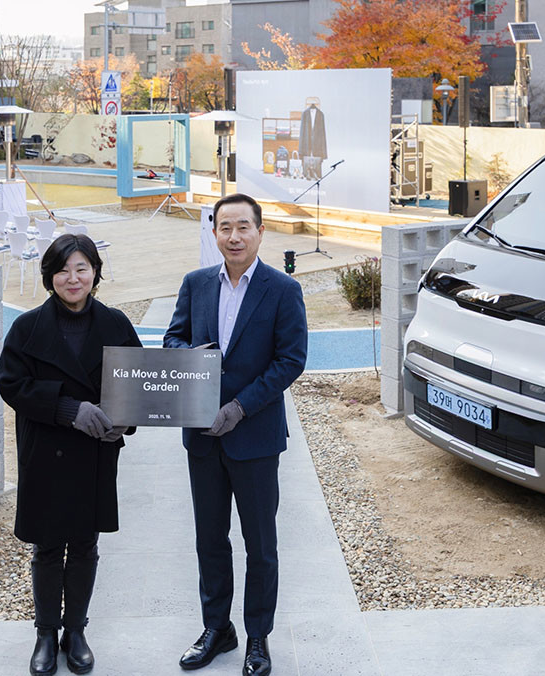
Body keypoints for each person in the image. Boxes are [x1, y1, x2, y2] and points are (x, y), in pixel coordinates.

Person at [164, 193, 308, 676]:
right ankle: (217, 628)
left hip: (255, 437)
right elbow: (173, 338)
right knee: (210, 539)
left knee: (260, 545)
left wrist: (240, 406)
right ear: (214, 233)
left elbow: (290, 360)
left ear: (260, 232)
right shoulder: (196, 283)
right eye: (225, 227)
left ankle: (258, 638)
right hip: (202, 436)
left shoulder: (282, 290)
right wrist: (192, 361)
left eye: (243, 226)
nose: (234, 236)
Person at [0, 234, 142, 676]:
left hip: (95, 453)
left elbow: (139, 383)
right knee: (46, 546)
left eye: (82, 268)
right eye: (62, 270)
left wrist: (124, 421)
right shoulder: (27, 327)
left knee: (84, 544)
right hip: (46, 451)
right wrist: (67, 409)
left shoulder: (116, 323)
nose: (72, 278)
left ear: (95, 273)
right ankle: (45, 633)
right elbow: (11, 384)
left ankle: (75, 631)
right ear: (49, 277)